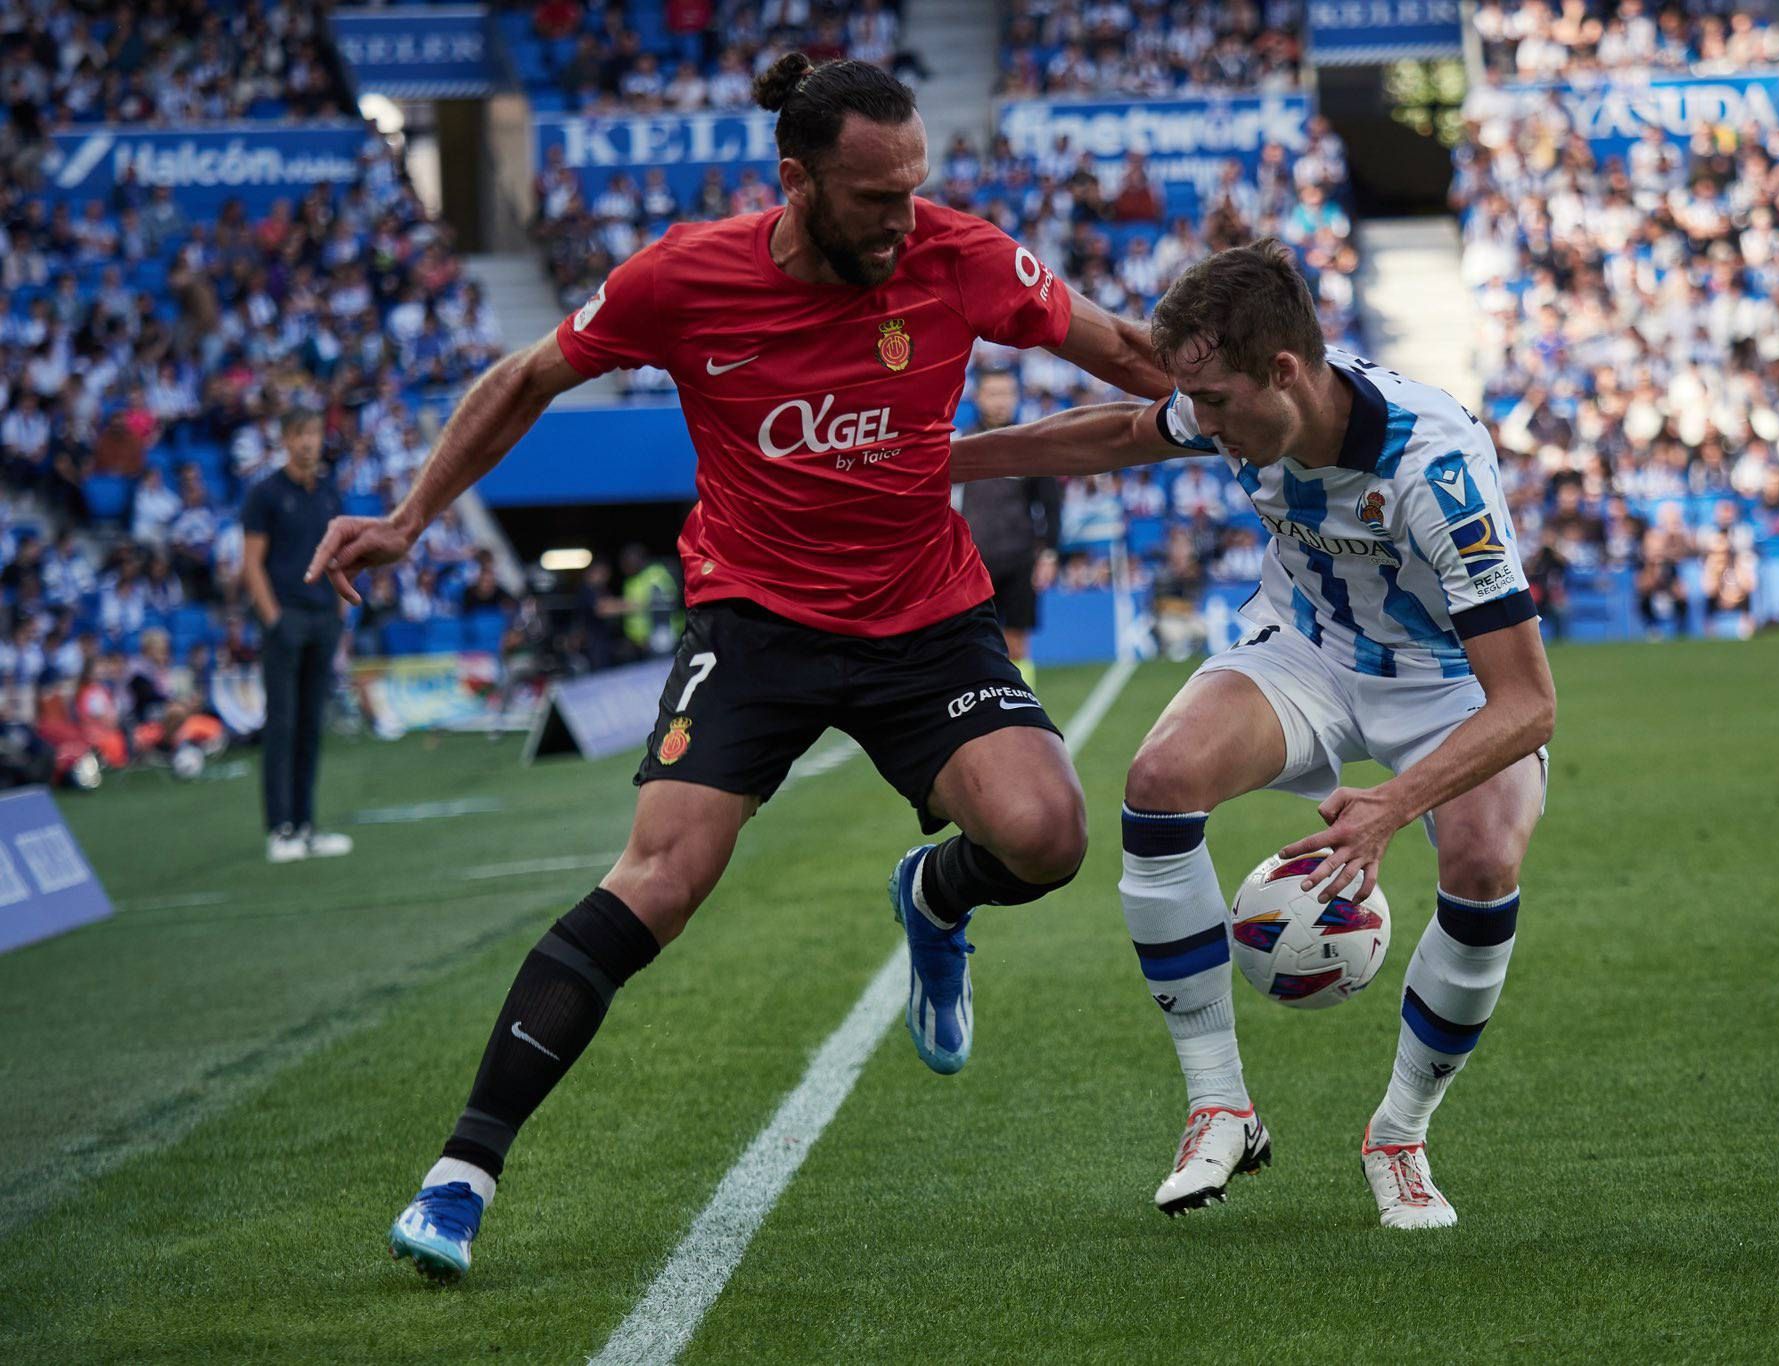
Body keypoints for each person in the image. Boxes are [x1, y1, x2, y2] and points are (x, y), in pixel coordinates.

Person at [307, 55, 1168, 1283]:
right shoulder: (682, 278)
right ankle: (461, 1174)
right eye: (875, 196)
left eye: (915, 188)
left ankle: (935, 899)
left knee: (1048, 833)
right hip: (752, 624)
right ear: (796, 181)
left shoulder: (959, 253)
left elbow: (1126, 350)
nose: (902, 217)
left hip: (925, 618)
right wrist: (406, 517)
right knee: (659, 879)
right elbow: (525, 379)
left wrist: (1263, 407)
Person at [950, 241, 1554, 1229]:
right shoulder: (1230, 412)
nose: (1207, 429)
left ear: (1285, 371)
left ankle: (1398, 1137)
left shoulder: (1433, 466)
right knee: (1158, 777)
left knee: (1483, 864)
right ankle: (1219, 1107)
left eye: (1219, 404)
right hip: (1308, 651)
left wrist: (1391, 807)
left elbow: (1526, 702)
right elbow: (1108, 436)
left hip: (1445, 684)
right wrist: (944, 462)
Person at [242, 408, 354, 864]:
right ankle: (279, 829)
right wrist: (272, 618)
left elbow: (341, 554)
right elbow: (251, 563)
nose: (308, 442)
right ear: (285, 441)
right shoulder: (265, 494)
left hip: (322, 617)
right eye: (299, 435)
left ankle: (306, 825)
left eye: (313, 433)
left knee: (311, 724)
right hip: (285, 617)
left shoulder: (329, 491)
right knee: (282, 725)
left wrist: (341, 610)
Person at [958, 370, 1061, 686]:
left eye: (1007, 393)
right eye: (993, 393)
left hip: (1019, 559)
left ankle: (1025, 707)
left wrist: (1049, 554)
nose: (1001, 401)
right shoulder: (961, 446)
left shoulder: (1028, 446)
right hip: (973, 563)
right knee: (971, 643)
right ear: (978, 397)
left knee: (1017, 642)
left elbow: (1050, 505)